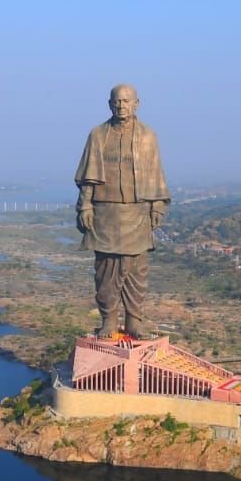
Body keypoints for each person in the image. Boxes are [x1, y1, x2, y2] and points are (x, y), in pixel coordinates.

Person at [74, 84, 170, 339]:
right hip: (106, 212)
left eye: (127, 101)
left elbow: (155, 173)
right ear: (109, 104)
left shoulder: (148, 136)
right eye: (117, 101)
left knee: (137, 270)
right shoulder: (98, 135)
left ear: (137, 103)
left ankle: (134, 321)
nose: (121, 105)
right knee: (106, 269)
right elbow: (87, 177)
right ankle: (108, 319)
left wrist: (157, 205)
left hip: (137, 211)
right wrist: (85, 204)